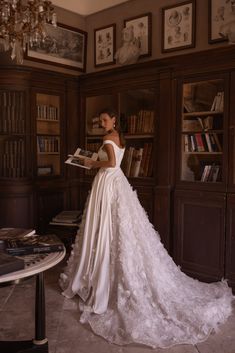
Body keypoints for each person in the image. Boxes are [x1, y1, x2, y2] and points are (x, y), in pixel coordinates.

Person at [60, 109, 234, 349]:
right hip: (116, 181)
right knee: (117, 228)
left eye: (104, 120)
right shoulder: (119, 136)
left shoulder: (107, 138)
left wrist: (91, 162)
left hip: (109, 181)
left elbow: (110, 163)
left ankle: (102, 276)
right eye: (100, 120)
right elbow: (115, 161)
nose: (101, 123)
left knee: (110, 228)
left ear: (113, 121)